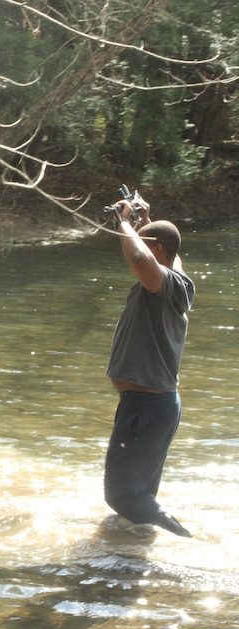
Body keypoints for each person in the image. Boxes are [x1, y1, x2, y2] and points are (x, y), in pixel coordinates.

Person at [103, 194, 195, 537]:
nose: (136, 246)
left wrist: (122, 222)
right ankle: (140, 540)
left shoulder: (163, 284)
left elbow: (142, 257)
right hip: (154, 405)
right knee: (136, 498)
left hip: (146, 407)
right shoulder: (178, 279)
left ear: (157, 252)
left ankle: (187, 543)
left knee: (122, 496)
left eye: (146, 243)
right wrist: (144, 221)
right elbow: (167, 251)